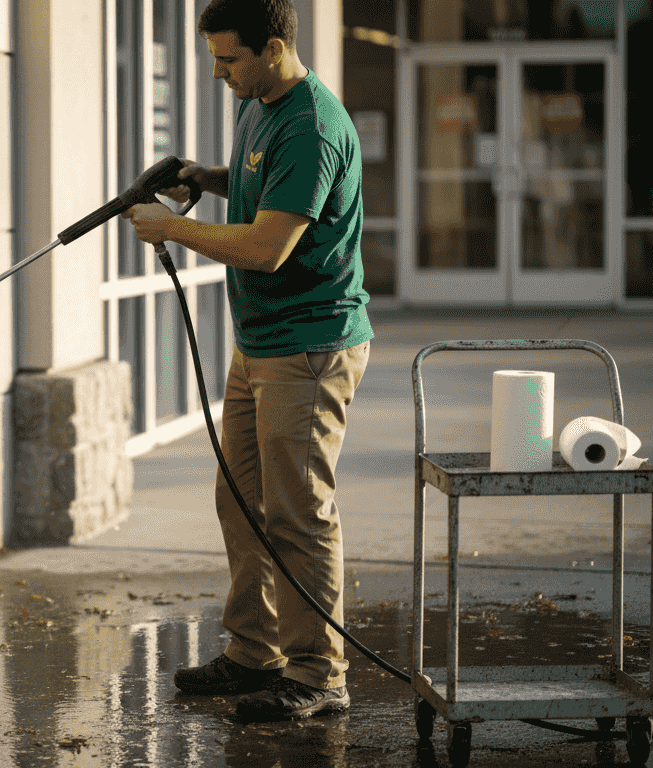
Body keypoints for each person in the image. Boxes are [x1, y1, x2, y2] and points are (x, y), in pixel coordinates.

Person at [120, 0, 372, 721]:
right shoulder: (260, 103)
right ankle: (254, 654)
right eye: (215, 58)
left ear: (273, 47)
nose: (218, 73)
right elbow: (265, 186)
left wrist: (174, 227)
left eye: (229, 59)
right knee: (240, 500)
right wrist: (207, 176)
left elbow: (268, 246)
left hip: (309, 347)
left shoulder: (313, 125)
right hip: (259, 342)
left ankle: (320, 673)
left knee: (298, 514)